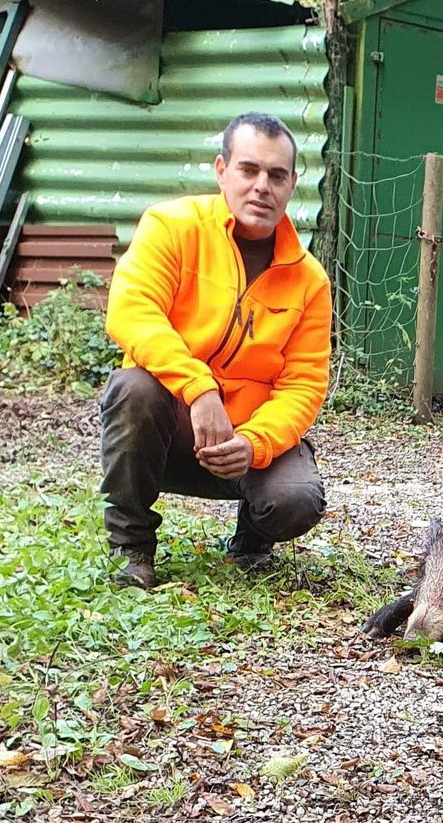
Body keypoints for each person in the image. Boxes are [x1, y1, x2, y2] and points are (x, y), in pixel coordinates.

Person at [98, 112, 331, 590]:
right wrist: (200, 390)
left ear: (292, 186)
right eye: (249, 170)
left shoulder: (310, 280)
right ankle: (132, 548)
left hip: (244, 442)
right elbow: (131, 312)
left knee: (297, 499)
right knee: (135, 388)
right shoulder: (171, 226)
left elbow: (303, 384)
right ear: (221, 170)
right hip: (172, 427)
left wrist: (255, 442)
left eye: (277, 175)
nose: (262, 186)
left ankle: (252, 541)